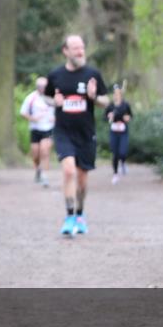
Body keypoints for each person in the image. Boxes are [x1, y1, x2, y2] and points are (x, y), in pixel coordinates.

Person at [43, 35, 108, 237]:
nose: (80, 51)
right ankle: (69, 216)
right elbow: (46, 97)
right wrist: (55, 102)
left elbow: (105, 101)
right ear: (66, 51)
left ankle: (80, 215)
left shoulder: (92, 74)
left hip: (86, 133)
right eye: (75, 48)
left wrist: (93, 97)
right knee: (69, 171)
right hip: (63, 131)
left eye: (82, 47)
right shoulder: (55, 75)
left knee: (81, 178)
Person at [19, 76, 55, 186]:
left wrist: (56, 118)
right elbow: (23, 112)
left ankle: (45, 176)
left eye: (44, 86)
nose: (42, 88)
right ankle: (38, 170)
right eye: (39, 86)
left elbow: (61, 109)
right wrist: (32, 118)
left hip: (48, 128)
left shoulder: (52, 97)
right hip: (35, 129)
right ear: (37, 87)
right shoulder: (31, 98)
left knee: (45, 151)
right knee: (35, 154)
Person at [105, 84, 133, 185]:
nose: (116, 95)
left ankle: (123, 163)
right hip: (114, 131)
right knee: (115, 153)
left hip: (123, 131)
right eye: (114, 93)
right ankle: (115, 174)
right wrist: (109, 116)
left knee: (123, 152)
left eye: (118, 93)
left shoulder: (126, 105)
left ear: (121, 94)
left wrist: (127, 118)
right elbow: (105, 118)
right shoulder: (110, 106)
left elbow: (130, 116)